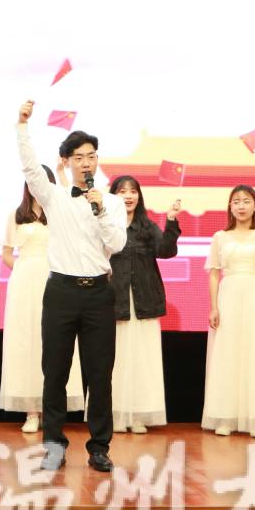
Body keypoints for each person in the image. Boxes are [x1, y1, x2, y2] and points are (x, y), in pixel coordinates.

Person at [15, 101, 126, 473]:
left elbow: (117, 244)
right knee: (55, 372)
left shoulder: (112, 202)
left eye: (91, 157)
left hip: (99, 293)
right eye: (79, 158)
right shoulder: (55, 196)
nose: (86, 163)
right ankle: (54, 446)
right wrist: (22, 126)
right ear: (66, 161)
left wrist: (100, 209)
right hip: (61, 292)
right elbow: (31, 169)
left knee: (100, 375)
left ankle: (99, 447)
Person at [201, 165, 255, 438]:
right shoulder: (220, 237)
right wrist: (214, 307)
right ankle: (226, 416)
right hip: (229, 296)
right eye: (236, 201)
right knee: (229, 354)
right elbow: (214, 273)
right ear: (230, 206)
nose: (240, 206)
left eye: (246, 201)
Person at [0, 171, 85, 432]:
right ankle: (31, 411)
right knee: (26, 342)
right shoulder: (16, 215)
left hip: (55, 278)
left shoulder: (59, 213)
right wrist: (22, 269)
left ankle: (52, 409)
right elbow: (6, 253)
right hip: (24, 282)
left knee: (55, 341)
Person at [107, 176, 181, 434]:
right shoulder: (105, 225)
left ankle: (138, 415)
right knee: (114, 360)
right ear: (112, 196)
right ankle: (114, 414)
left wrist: (171, 220)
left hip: (144, 303)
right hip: (113, 303)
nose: (128, 196)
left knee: (142, 360)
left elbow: (166, 251)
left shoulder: (147, 226)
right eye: (122, 191)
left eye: (133, 191)